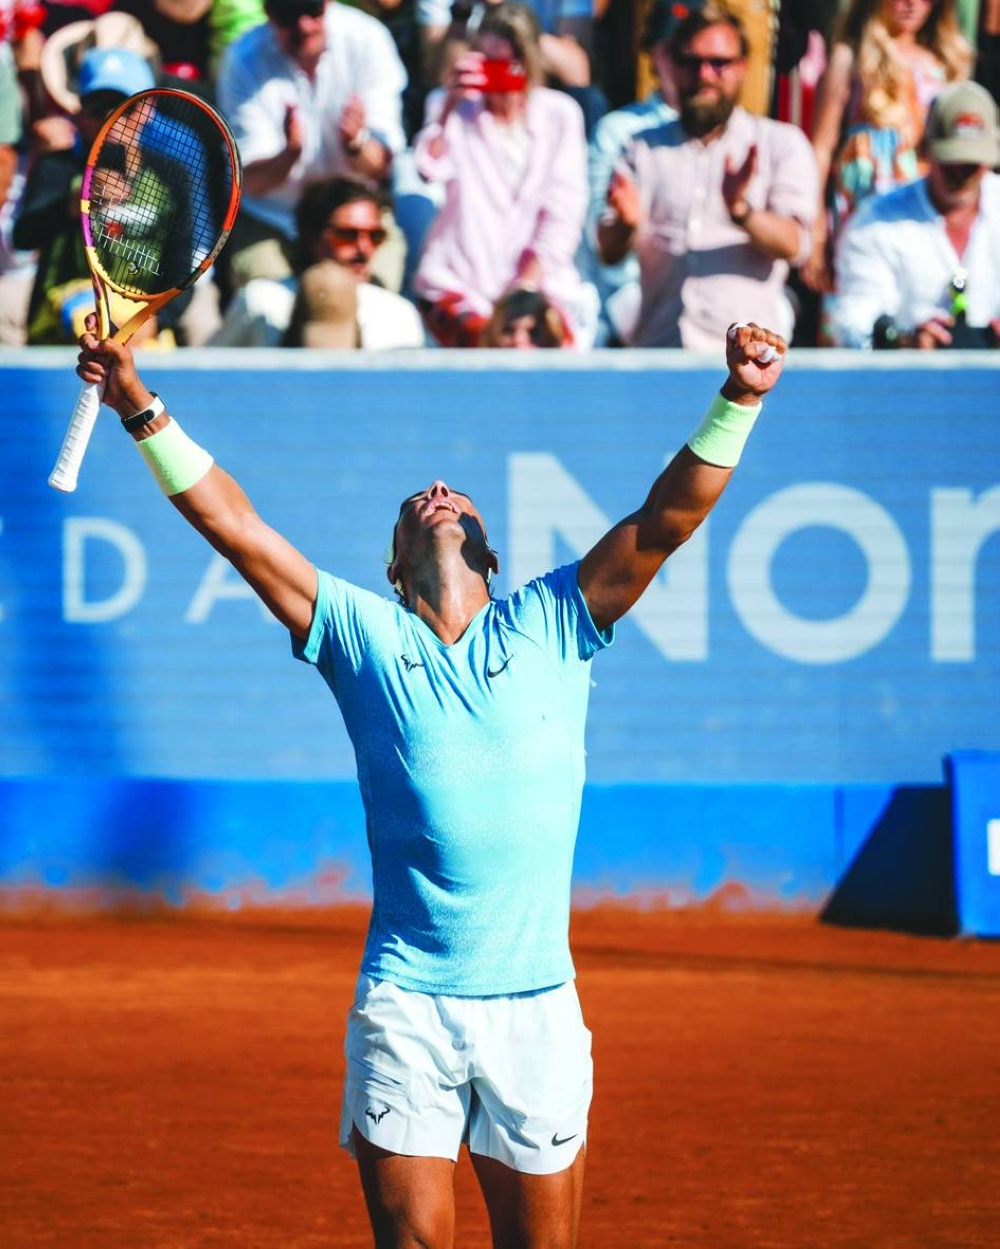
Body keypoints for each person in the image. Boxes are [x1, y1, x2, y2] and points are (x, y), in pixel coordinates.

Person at [74, 307, 787, 1247]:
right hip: (406, 999)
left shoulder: (559, 615)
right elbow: (236, 529)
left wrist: (739, 395)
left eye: (457, 495)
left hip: (536, 1003)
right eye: (419, 497)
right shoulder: (362, 635)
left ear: (491, 553)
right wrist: (136, 402)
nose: (440, 489)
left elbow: (668, 518)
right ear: (393, 560)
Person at [597, 3, 818, 351]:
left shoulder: (779, 144)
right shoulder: (641, 147)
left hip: (745, 361)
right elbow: (608, 252)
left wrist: (743, 212)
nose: (704, 74)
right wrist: (625, 224)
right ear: (671, 65)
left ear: (743, 66)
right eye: (691, 62)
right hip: (659, 351)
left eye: (719, 63)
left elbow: (797, 245)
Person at [412, 1, 592, 347]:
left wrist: (523, 288)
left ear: (530, 61)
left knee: (545, 351)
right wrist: (450, 105)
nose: (500, 75)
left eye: (510, 64)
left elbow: (564, 212)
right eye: (488, 62)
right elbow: (427, 168)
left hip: (539, 285)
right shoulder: (449, 107)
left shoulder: (561, 114)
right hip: (460, 281)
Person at [215, 0, 407, 295]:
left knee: (376, 303)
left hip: (357, 216)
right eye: (288, 13)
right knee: (266, 305)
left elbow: (382, 165)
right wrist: (288, 156)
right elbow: (251, 183)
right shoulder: (242, 59)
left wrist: (356, 145)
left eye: (312, 9)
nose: (303, 25)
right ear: (267, 11)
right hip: (274, 217)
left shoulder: (368, 39)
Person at [801, 0, 972, 299]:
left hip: (922, 210)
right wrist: (815, 236)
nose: (912, 5)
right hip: (864, 209)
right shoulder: (852, 57)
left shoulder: (946, 63)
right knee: (860, 306)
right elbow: (821, 147)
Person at [826, 78, 1000, 349]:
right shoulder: (875, 222)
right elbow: (853, 319)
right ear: (926, 149)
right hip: (909, 386)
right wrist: (903, 339)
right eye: (952, 160)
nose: (961, 172)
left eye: (972, 163)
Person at [12, 45, 169, 345]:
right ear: (80, 112)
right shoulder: (57, 167)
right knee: (95, 327)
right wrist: (73, 203)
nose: (112, 119)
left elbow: (183, 258)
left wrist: (159, 317)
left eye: (125, 107)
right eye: (99, 107)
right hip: (63, 307)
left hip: (146, 314)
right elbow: (22, 237)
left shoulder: (169, 177)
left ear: (148, 110)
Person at [208, 175, 426, 347]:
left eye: (375, 236)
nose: (364, 248)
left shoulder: (399, 315)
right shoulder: (258, 301)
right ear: (312, 237)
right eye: (347, 235)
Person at [580, 0, 681, 346]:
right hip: (630, 289)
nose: (687, 66)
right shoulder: (617, 129)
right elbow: (599, 241)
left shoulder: (745, 135)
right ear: (652, 54)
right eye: (672, 49)